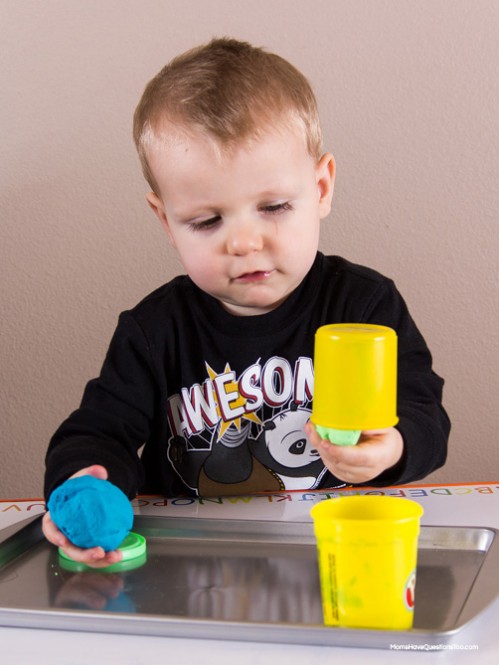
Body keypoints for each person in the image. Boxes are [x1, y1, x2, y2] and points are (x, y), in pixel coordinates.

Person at [43, 38, 450, 566]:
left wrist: (391, 448)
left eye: (274, 207)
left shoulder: (364, 304)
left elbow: (424, 414)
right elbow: (96, 434)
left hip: (338, 555)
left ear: (322, 187)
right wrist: (84, 483)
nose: (244, 242)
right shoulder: (153, 330)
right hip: (195, 566)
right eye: (208, 221)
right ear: (165, 220)